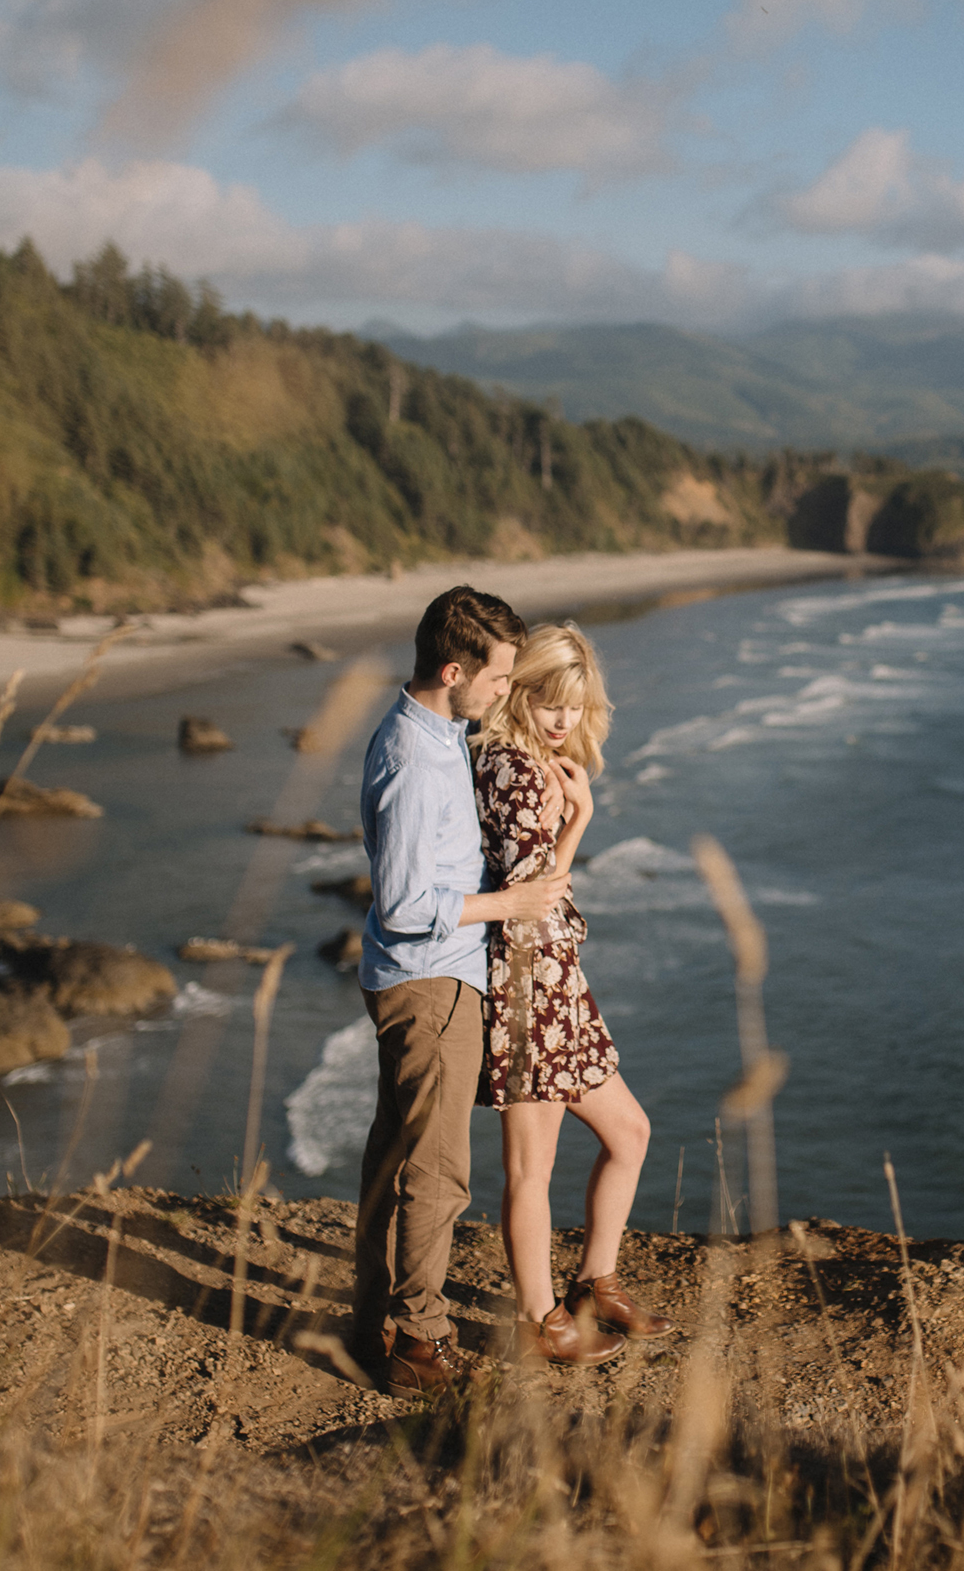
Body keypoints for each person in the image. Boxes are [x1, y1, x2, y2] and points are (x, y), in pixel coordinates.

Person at [350, 586, 571, 1400]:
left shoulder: (438, 734)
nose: (505, 692)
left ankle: (371, 1316)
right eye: (500, 678)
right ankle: (420, 1338)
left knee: (395, 1157)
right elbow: (407, 906)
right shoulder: (414, 759)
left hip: (417, 979)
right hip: (431, 981)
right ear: (455, 669)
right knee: (436, 1172)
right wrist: (506, 904)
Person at [473, 622, 677, 1364]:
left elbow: (542, 892)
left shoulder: (533, 760)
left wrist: (573, 820)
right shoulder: (511, 768)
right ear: (519, 690)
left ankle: (595, 1282)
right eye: (547, 699)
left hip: (558, 980)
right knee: (531, 1169)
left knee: (630, 1132)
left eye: (573, 704)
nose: (561, 718)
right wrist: (580, 820)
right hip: (529, 986)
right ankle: (538, 1321)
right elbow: (533, 894)